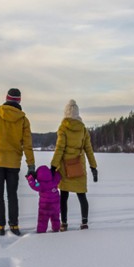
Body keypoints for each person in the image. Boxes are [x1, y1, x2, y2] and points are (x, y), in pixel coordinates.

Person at [0, 88, 36, 236]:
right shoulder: (23, 120)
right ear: (19, 101)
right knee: (12, 195)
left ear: (6, 98)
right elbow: (27, 144)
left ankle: (0, 226)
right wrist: (31, 165)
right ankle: (14, 226)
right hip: (13, 164)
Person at [50, 99, 98, 231]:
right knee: (81, 194)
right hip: (78, 166)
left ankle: (64, 224)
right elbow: (88, 149)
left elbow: (59, 148)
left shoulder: (63, 127)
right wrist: (93, 166)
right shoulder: (82, 129)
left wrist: (53, 166)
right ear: (77, 113)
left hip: (65, 167)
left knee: (63, 196)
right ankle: (84, 222)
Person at [25, 165, 62, 233]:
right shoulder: (54, 181)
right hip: (55, 205)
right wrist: (55, 171)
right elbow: (58, 176)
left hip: (45, 207)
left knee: (43, 219)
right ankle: (56, 228)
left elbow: (33, 184)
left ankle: (41, 230)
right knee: (55, 218)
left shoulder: (40, 185)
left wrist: (30, 178)